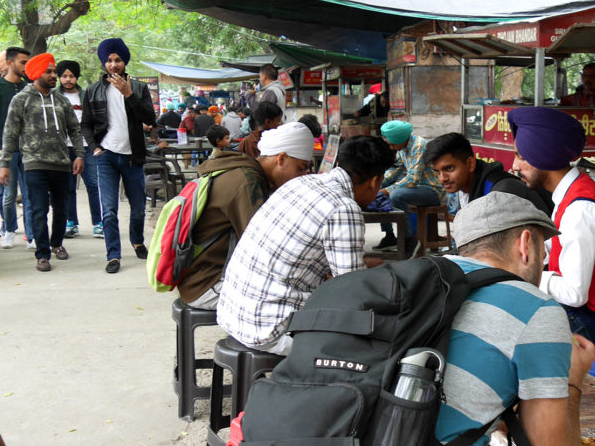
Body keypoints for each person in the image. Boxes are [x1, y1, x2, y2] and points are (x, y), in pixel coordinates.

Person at [300, 191, 595, 446]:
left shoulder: (398, 284)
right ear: (527, 243)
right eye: (543, 250)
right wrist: (572, 379)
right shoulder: (535, 307)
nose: (542, 262)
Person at [217, 136, 394, 355]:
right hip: (270, 329)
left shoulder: (300, 183)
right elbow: (351, 292)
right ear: (375, 181)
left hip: (232, 313)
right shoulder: (343, 208)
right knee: (377, 338)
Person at [509, 107, 595, 343]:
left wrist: (523, 274)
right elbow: (554, 247)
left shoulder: (579, 208)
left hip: (583, 319)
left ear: (543, 155)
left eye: (521, 157)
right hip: (574, 311)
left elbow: (574, 294)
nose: (514, 166)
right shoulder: (570, 193)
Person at [178, 123, 315, 310]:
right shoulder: (247, 182)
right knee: (308, 300)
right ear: (281, 159)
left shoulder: (244, 171)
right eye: (301, 168)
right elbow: (264, 250)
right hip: (208, 285)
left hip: (203, 277)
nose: (303, 176)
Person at [0, 54, 84, 272]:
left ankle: (57, 244)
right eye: (49, 72)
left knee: (62, 209)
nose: (54, 76)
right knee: (38, 209)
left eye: (54, 71)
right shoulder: (21, 99)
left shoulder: (61, 100)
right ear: (36, 73)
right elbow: (10, 133)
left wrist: (80, 155)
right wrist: (5, 164)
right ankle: (42, 254)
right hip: (34, 162)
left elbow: (75, 129)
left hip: (62, 162)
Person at [81, 37, 157, 274]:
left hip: (133, 156)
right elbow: (85, 124)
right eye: (109, 61)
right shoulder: (94, 90)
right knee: (109, 209)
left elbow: (150, 119)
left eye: (118, 60)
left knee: (138, 207)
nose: (113, 65)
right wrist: (94, 146)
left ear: (125, 62)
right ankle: (113, 255)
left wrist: (129, 94)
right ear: (103, 63)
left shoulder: (140, 88)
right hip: (106, 156)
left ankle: (137, 241)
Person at [423, 132, 552, 216]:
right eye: (437, 172)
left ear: (470, 164)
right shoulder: (464, 189)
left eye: (449, 168)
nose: (442, 178)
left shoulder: (500, 193)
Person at [0, 46, 31, 250]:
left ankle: (32, 234)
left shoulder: (29, 87)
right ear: (10, 63)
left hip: (29, 150)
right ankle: (9, 229)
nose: (26, 66)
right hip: (6, 151)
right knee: (9, 195)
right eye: (23, 62)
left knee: (31, 194)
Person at [375, 120, 446, 256]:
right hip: (416, 189)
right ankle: (390, 236)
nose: (391, 148)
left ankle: (409, 239)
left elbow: (413, 179)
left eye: (392, 144)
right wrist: (377, 183)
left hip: (432, 191)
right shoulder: (402, 148)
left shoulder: (419, 146)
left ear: (400, 139)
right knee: (379, 194)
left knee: (395, 195)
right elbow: (394, 171)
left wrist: (386, 190)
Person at [55, 59, 102, 240]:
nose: (68, 79)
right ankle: (71, 223)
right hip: (63, 148)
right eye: (64, 76)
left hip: (86, 147)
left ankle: (98, 223)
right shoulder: (54, 97)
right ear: (59, 78)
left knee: (93, 184)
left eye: (71, 76)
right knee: (67, 187)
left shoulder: (86, 95)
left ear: (77, 77)